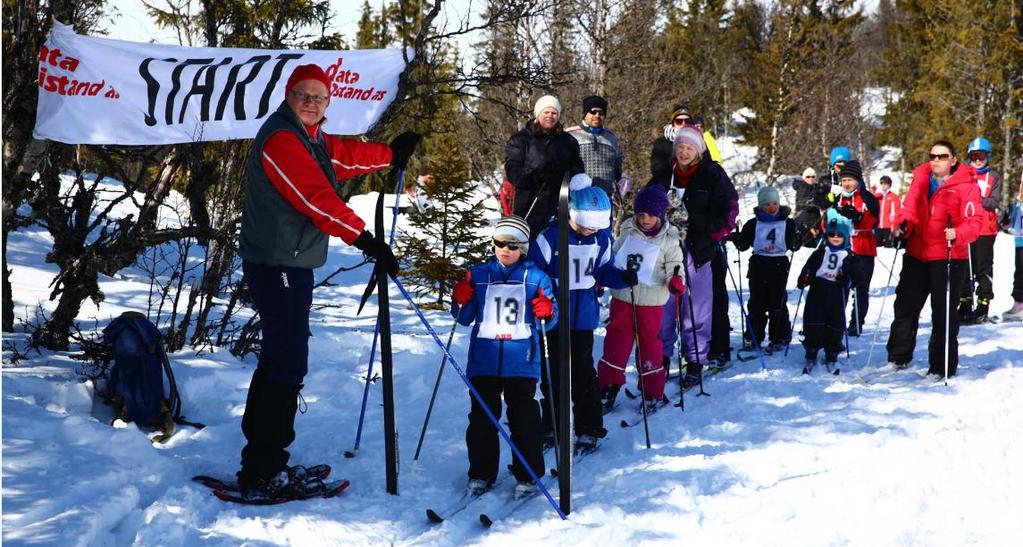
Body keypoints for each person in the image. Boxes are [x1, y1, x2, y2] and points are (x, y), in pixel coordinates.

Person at [235, 63, 421, 498]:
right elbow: (315, 198)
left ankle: (264, 463)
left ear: (329, 101)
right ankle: (261, 471)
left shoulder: (310, 136)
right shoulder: (282, 140)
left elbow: (342, 156)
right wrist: (366, 239)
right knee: (285, 363)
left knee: (281, 361)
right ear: (289, 94)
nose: (312, 103)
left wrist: (390, 154)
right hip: (276, 264)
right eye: (304, 94)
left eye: (319, 96)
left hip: (291, 263)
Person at [450, 215, 557, 499]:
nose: (505, 249)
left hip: (521, 360)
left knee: (524, 418)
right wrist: (460, 298)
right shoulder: (480, 274)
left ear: (523, 247)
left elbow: (550, 322)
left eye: (512, 245)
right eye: (499, 243)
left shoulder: (537, 278)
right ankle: (481, 473)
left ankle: (528, 473)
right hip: (484, 359)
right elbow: (464, 317)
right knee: (482, 418)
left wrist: (548, 310)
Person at [528, 176, 636, 454]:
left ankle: (588, 427)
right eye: (585, 225)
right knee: (552, 373)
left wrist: (622, 277)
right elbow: (533, 272)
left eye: (595, 226)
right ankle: (552, 424)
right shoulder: (550, 236)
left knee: (583, 374)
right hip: (552, 317)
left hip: (583, 315)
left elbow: (604, 270)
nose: (590, 231)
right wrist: (540, 298)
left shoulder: (600, 237)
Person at [886, 140, 983, 378]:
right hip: (917, 254)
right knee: (905, 306)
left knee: (943, 312)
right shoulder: (920, 180)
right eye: (933, 156)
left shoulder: (966, 186)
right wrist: (902, 225)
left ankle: (941, 365)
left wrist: (958, 233)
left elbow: (975, 223)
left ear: (953, 160)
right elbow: (908, 209)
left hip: (948, 256)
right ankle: (898, 357)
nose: (936, 160)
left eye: (942, 156)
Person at [653, 126, 738, 382]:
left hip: (698, 250)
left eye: (689, 147)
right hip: (666, 250)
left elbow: (728, 211)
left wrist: (704, 227)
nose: (684, 152)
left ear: (698, 151)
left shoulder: (712, 174)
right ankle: (661, 360)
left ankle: (695, 361)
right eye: (680, 147)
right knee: (663, 306)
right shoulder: (665, 174)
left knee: (696, 308)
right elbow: (646, 204)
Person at [597, 185, 685, 408]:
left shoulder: (669, 240)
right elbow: (614, 256)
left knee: (649, 346)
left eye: (651, 215)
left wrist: (675, 281)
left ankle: (652, 390)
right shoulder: (627, 230)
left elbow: (676, 266)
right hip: (623, 297)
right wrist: (605, 275)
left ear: (661, 215)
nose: (645, 220)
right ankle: (608, 385)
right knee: (616, 342)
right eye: (641, 214)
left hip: (651, 302)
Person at [505, 95, 585, 239]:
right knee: (525, 242)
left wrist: (564, 176)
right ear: (538, 114)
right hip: (528, 201)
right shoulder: (521, 139)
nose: (550, 116)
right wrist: (536, 175)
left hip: (560, 202)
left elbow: (578, 167)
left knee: (555, 245)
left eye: (554, 113)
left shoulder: (568, 141)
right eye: (546, 112)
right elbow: (512, 171)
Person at [730, 186, 798, 352]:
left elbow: (793, 243)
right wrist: (736, 238)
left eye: (775, 203)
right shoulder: (754, 223)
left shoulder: (788, 222)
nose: (772, 207)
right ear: (761, 205)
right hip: (759, 264)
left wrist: (798, 240)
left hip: (779, 264)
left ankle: (780, 336)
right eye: (767, 204)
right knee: (756, 303)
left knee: (777, 302)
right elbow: (744, 245)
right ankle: (754, 336)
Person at [796, 216, 864, 373]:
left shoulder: (850, 256)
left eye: (839, 235)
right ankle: (811, 351)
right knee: (814, 320)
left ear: (845, 237)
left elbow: (859, 277)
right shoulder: (820, 252)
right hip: (818, 289)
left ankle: (832, 353)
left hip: (837, 291)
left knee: (835, 322)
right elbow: (809, 268)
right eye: (832, 235)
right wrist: (804, 278)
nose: (835, 238)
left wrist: (848, 279)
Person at [831, 160, 879, 335]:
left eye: (850, 180)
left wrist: (858, 217)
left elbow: (874, 220)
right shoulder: (838, 198)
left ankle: (856, 323)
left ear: (858, 180)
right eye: (843, 180)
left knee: (860, 288)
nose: (847, 184)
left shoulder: (867, 197)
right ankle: (836, 322)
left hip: (863, 250)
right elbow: (830, 222)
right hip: (842, 250)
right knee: (840, 287)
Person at [958, 137, 1003, 324]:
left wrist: (977, 198)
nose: (978, 160)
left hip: (985, 229)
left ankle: (983, 304)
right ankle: (965, 305)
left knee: (982, 268)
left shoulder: (993, 177)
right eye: (974, 156)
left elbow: (993, 202)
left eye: (981, 156)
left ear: (987, 157)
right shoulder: (964, 175)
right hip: (966, 227)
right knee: (964, 267)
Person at [566, 95, 624, 199]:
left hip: (604, 197)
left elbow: (618, 167)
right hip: (577, 196)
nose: (597, 115)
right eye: (593, 112)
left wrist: (623, 180)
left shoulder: (611, 138)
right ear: (585, 114)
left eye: (601, 113)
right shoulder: (570, 134)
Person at [1002, 174, 1023, 321]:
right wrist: (1006, 223)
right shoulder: (1019, 202)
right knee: (1020, 271)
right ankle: (1019, 303)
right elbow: (1013, 222)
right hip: (1019, 241)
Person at [875, 175, 901, 248]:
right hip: (878, 225)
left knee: (888, 247)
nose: (883, 186)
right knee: (877, 246)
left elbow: (896, 212)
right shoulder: (878, 196)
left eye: (885, 184)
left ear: (889, 185)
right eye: (882, 183)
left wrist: (895, 225)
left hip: (888, 226)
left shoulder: (894, 197)